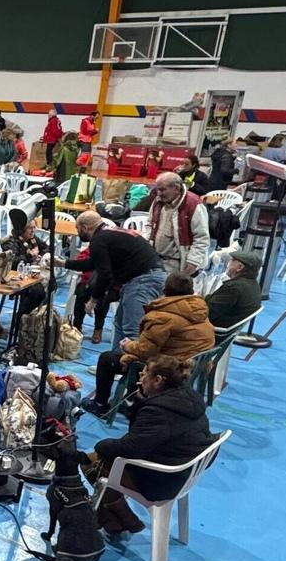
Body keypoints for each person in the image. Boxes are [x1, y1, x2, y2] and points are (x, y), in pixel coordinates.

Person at [86, 355, 215, 536]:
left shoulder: (157, 411)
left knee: (91, 461)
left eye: (144, 373)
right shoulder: (190, 396)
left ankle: (118, 520)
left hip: (163, 479)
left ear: (158, 380)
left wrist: (101, 445)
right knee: (108, 462)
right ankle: (118, 521)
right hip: (186, 472)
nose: (140, 377)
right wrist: (142, 399)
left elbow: (130, 448)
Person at [83, 271, 214, 416]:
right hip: (193, 364)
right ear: (191, 291)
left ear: (164, 290)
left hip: (169, 368)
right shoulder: (199, 309)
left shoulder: (162, 317)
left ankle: (99, 404)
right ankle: (132, 401)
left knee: (107, 359)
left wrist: (127, 345)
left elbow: (145, 351)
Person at [62, 210, 166, 349]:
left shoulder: (98, 240)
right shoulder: (111, 232)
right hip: (148, 276)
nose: (78, 232)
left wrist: (93, 300)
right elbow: (93, 264)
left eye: (78, 229)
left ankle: (128, 362)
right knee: (120, 324)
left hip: (144, 280)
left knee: (132, 332)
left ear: (85, 228)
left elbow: (104, 274)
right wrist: (63, 263)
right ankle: (115, 358)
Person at [148, 171, 210, 275]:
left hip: (178, 264)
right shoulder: (158, 201)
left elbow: (201, 238)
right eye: (157, 189)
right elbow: (149, 224)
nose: (159, 193)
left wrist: (193, 261)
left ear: (176, 188)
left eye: (162, 189)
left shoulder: (194, 205)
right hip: (156, 260)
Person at [205, 249, 263, 329]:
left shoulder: (233, 288)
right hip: (227, 327)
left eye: (232, 260)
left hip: (211, 328)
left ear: (239, 267)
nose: (228, 263)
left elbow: (207, 313)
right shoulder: (254, 286)